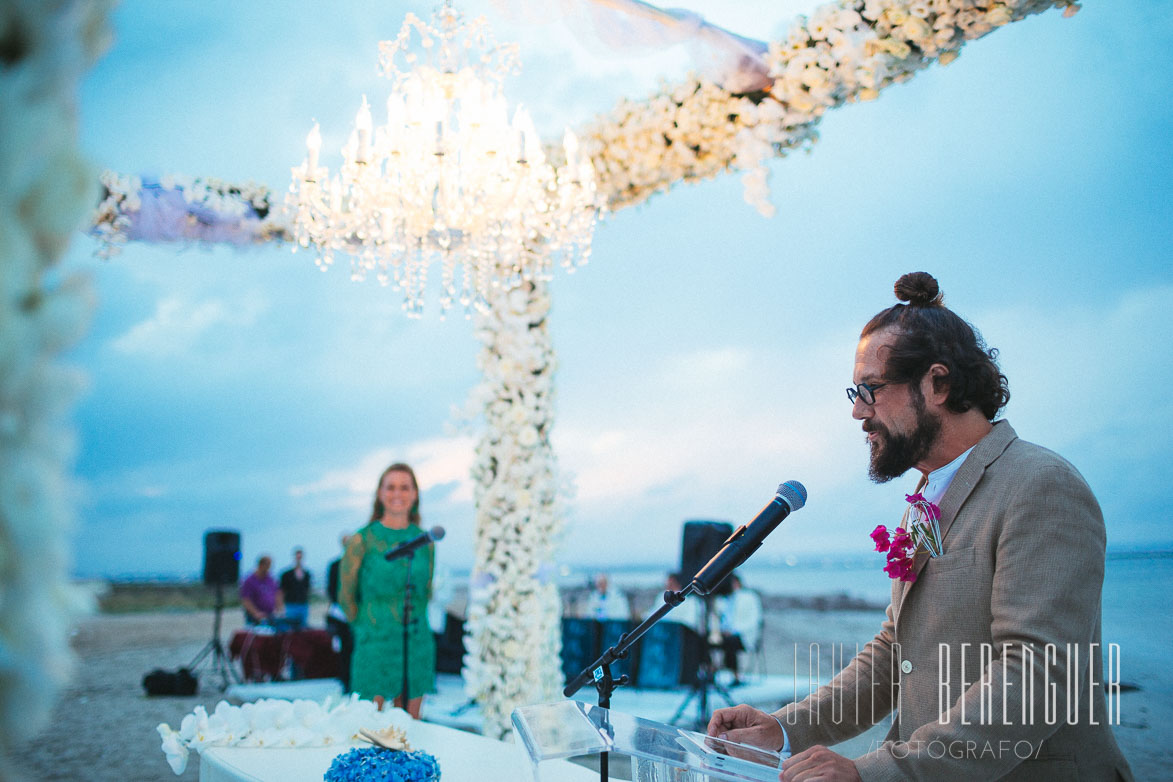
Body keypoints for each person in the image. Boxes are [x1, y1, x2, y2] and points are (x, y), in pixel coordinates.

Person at [707, 273, 1133, 781]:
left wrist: (875, 773)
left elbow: (1036, 677)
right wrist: (783, 730)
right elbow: (896, 651)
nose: (857, 412)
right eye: (855, 392)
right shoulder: (924, 502)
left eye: (870, 390)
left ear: (938, 383)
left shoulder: (1041, 486)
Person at [339, 463, 436, 719]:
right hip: (375, 643)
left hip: (416, 644)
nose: (398, 494)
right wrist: (365, 628)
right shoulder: (362, 540)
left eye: (405, 487)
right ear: (380, 493)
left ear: (414, 494)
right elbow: (345, 596)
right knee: (372, 733)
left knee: (411, 735)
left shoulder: (425, 541)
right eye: (391, 487)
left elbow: (425, 591)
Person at [717, 573, 763, 685]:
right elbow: (723, 617)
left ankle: (735, 675)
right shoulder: (725, 599)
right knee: (708, 640)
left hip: (744, 635)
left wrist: (733, 630)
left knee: (729, 642)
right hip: (726, 633)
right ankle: (711, 670)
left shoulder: (749, 597)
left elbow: (755, 620)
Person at [326, 534, 356, 691]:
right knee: (344, 647)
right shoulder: (335, 565)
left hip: (356, 612)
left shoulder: (358, 564)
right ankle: (345, 679)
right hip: (340, 612)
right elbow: (331, 589)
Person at [239, 554, 283, 626]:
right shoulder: (249, 581)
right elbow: (246, 599)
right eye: (267, 566)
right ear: (261, 565)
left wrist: (278, 608)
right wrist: (256, 613)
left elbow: (277, 593)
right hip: (255, 618)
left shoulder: (271, 579)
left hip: (270, 615)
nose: (269, 569)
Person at [279, 547, 311, 628]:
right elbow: (282, 591)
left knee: (303, 628)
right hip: (291, 605)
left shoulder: (307, 574)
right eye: (298, 557)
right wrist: (281, 606)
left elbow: (308, 589)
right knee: (290, 626)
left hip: (303, 604)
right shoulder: (286, 574)